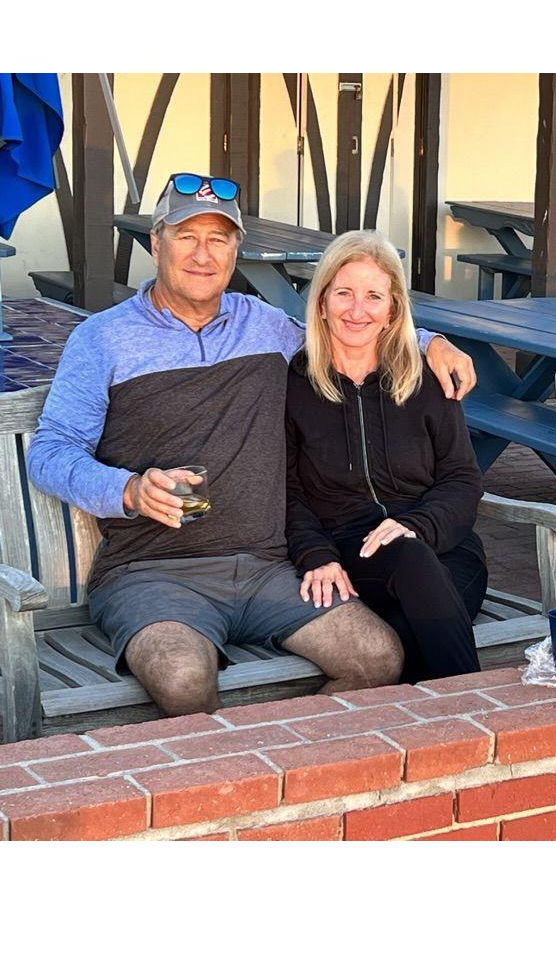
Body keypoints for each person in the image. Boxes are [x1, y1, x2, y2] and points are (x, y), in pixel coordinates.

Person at [27, 172, 478, 715]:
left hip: (269, 567)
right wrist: (128, 490)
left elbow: (347, 327)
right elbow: (50, 451)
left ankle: (282, 759)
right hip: (151, 571)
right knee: (183, 677)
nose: (203, 255)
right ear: (156, 243)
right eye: (186, 236)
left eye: (218, 239)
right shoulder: (102, 339)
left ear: (235, 250)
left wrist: (433, 342)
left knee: (378, 657)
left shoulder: (263, 326)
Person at [284, 230, 486, 683]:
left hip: (445, 548)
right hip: (354, 553)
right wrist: (314, 552)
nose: (357, 310)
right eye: (344, 293)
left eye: (374, 296)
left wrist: (417, 525)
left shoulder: (426, 379)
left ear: (392, 310)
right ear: (322, 303)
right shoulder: (294, 386)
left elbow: (462, 478)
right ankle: (477, 709)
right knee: (407, 562)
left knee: (404, 637)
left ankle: (444, 722)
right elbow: (287, 491)